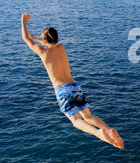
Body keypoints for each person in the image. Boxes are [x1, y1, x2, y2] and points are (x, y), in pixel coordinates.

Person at [21, 13, 124, 149]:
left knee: (76, 121)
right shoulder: (61, 47)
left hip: (62, 90)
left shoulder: (43, 52)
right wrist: (38, 38)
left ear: (44, 41)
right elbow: (45, 41)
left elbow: (25, 38)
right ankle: (109, 130)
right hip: (74, 86)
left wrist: (24, 21)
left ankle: (98, 133)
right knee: (88, 116)